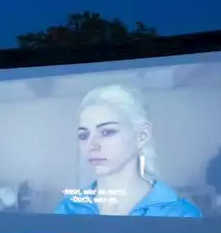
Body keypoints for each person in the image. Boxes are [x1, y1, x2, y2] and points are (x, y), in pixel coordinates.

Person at [54, 84, 200, 217]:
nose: (92, 145)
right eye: (83, 135)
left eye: (107, 132)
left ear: (142, 136)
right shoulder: (68, 208)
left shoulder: (180, 214)